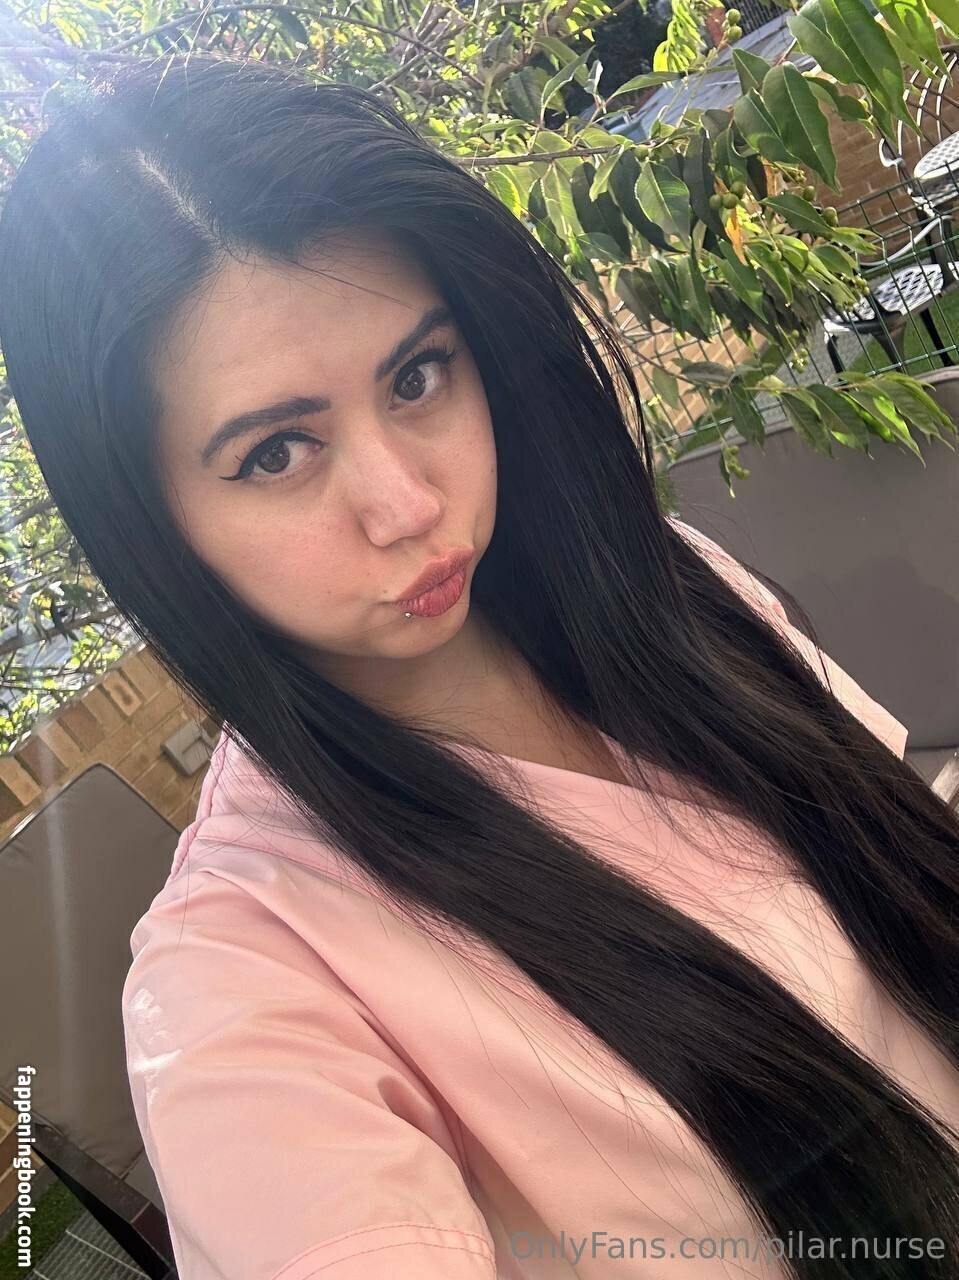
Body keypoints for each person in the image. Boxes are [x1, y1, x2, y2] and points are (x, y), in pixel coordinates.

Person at [0, 53, 956, 1280]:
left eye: (417, 376)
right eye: (276, 452)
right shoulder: (242, 981)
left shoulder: (661, 587)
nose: (406, 503)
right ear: (153, 525)